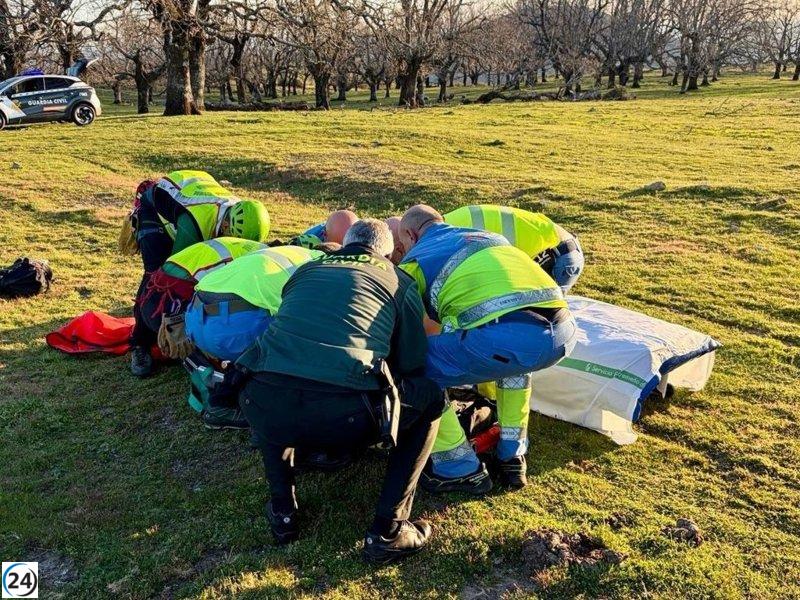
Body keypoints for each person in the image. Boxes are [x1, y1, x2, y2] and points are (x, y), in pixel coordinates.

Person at [236, 219, 446, 564]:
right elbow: (411, 361)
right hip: (346, 411)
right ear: (389, 252)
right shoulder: (398, 279)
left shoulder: (306, 269)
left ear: (346, 243)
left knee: (279, 384)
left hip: (259, 400)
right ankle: (389, 531)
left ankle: (283, 511)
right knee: (430, 400)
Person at [396, 205, 577, 494]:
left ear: (410, 233)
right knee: (513, 367)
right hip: (562, 331)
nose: (402, 251)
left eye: (401, 245)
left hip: (505, 337)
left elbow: (403, 322)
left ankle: (458, 467)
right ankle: (512, 454)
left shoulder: (417, 259)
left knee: (413, 370)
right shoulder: (486, 237)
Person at [128, 170, 271, 377]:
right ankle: (139, 344)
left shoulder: (245, 215)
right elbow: (171, 272)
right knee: (155, 275)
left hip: (185, 198)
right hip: (155, 208)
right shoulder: (194, 224)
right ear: (225, 224)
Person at [184, 245, 324, 429]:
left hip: (194, 317)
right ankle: (223, 404)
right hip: (234, 326)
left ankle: (224, 380)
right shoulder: (321, 267)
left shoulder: (292, 252)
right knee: (293, 338)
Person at [135, 237, 266, 368]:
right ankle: (196, 354)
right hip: (170, 309)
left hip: (149, 295)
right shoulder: (262, 264)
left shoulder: (247, 247)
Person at [443, 205, 584, 294]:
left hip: (558, 253)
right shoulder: (452, 220)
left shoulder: (455, 238)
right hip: (553, 245)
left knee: (545, 314)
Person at [290, 209, 358, 248]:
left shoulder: (364, 236)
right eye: (336, 246)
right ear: (324, 235)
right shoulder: (307, 242)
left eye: (345, 246)